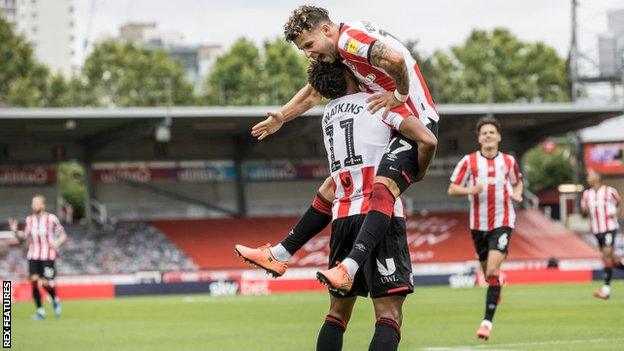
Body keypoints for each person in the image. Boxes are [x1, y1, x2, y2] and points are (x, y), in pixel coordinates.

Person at [236, 5, 438, 294]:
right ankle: (280, 254)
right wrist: (283, 115)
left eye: (309, 45)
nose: (308, 53)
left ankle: (349, 267)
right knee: (336, 185)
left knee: (382, 188)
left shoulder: (349, 40)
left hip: (418, 121)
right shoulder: (340, 51)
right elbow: (314, 91)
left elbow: (395, 60)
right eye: (302, 49)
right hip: (395, 121)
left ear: (327, 30)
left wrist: (399, 95)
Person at [307, 60, 414, 351]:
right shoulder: (376, 102)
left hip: (342, 216)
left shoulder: (327, 114)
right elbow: (424, 137)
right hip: (378, 214)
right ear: (346, 74)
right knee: (389, 315)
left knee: (337, 314)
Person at [447, 117, 523, 340]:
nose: (488, 136)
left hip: (503, 221)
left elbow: (518, 181)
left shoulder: (508, 162)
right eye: (484, 133)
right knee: (489, 275)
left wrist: (517, 193)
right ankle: (496, 286)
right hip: (478, 225)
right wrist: (471, 190)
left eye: (492, 132)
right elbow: (452, 189)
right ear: (479, 138)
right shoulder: (469, 162)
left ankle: (486, 324)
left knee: (491, 271)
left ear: (498, 136)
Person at [9, 195, 67, 320]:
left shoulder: (51, 218)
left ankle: (55, 298)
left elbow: (63, 235)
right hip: (33, 255)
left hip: (48, 256)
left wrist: (56, 243)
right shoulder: (29, 220)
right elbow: (23, 239)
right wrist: (15, 232)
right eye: (33, 203)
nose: (34, 206)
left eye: (36, 203)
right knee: (34, 281)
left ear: (43, 205)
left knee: (46, 283)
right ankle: (40, 311)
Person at [581, 168, 622, 300]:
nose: (588, 178)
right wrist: (585, 211)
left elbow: (619, 204)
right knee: (610, 260)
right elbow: (584, 214)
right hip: (597, 230)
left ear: (598, 177)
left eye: (590, 175)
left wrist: (616, 213)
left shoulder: (609, 191)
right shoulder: (587, 194)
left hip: (609, 227)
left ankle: (606, 290)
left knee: (607, 254)